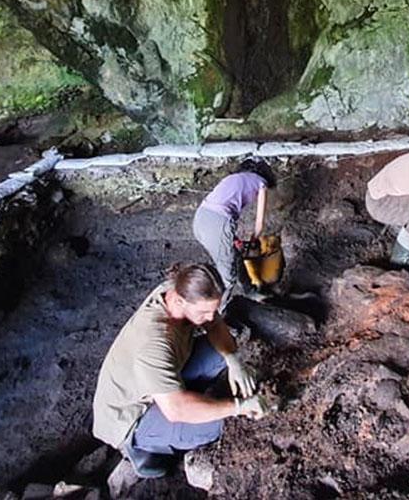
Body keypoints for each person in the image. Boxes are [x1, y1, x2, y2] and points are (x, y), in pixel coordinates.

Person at [92, 263, 268, 480]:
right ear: (179, 301)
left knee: (220, 353)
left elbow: (214, 325)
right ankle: (141, 450)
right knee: (221, 425)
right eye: (204, 312)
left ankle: (186, 392)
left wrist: (234, 361)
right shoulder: (154, 342)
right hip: (133, 415)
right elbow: (177, 411)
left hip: (163, 374)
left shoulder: (179, 289)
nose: (211, 317)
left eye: (214, 310)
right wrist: (238, 407)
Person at [192, 157, 277, 305]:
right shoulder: (261, 183)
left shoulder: (232, 178)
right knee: (228, 277)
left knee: (235, 257)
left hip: (200, 220)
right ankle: (217, 312)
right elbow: (260, 223)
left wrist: (234, 240)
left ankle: (251, 292)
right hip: (218, 223)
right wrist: (253, 239)